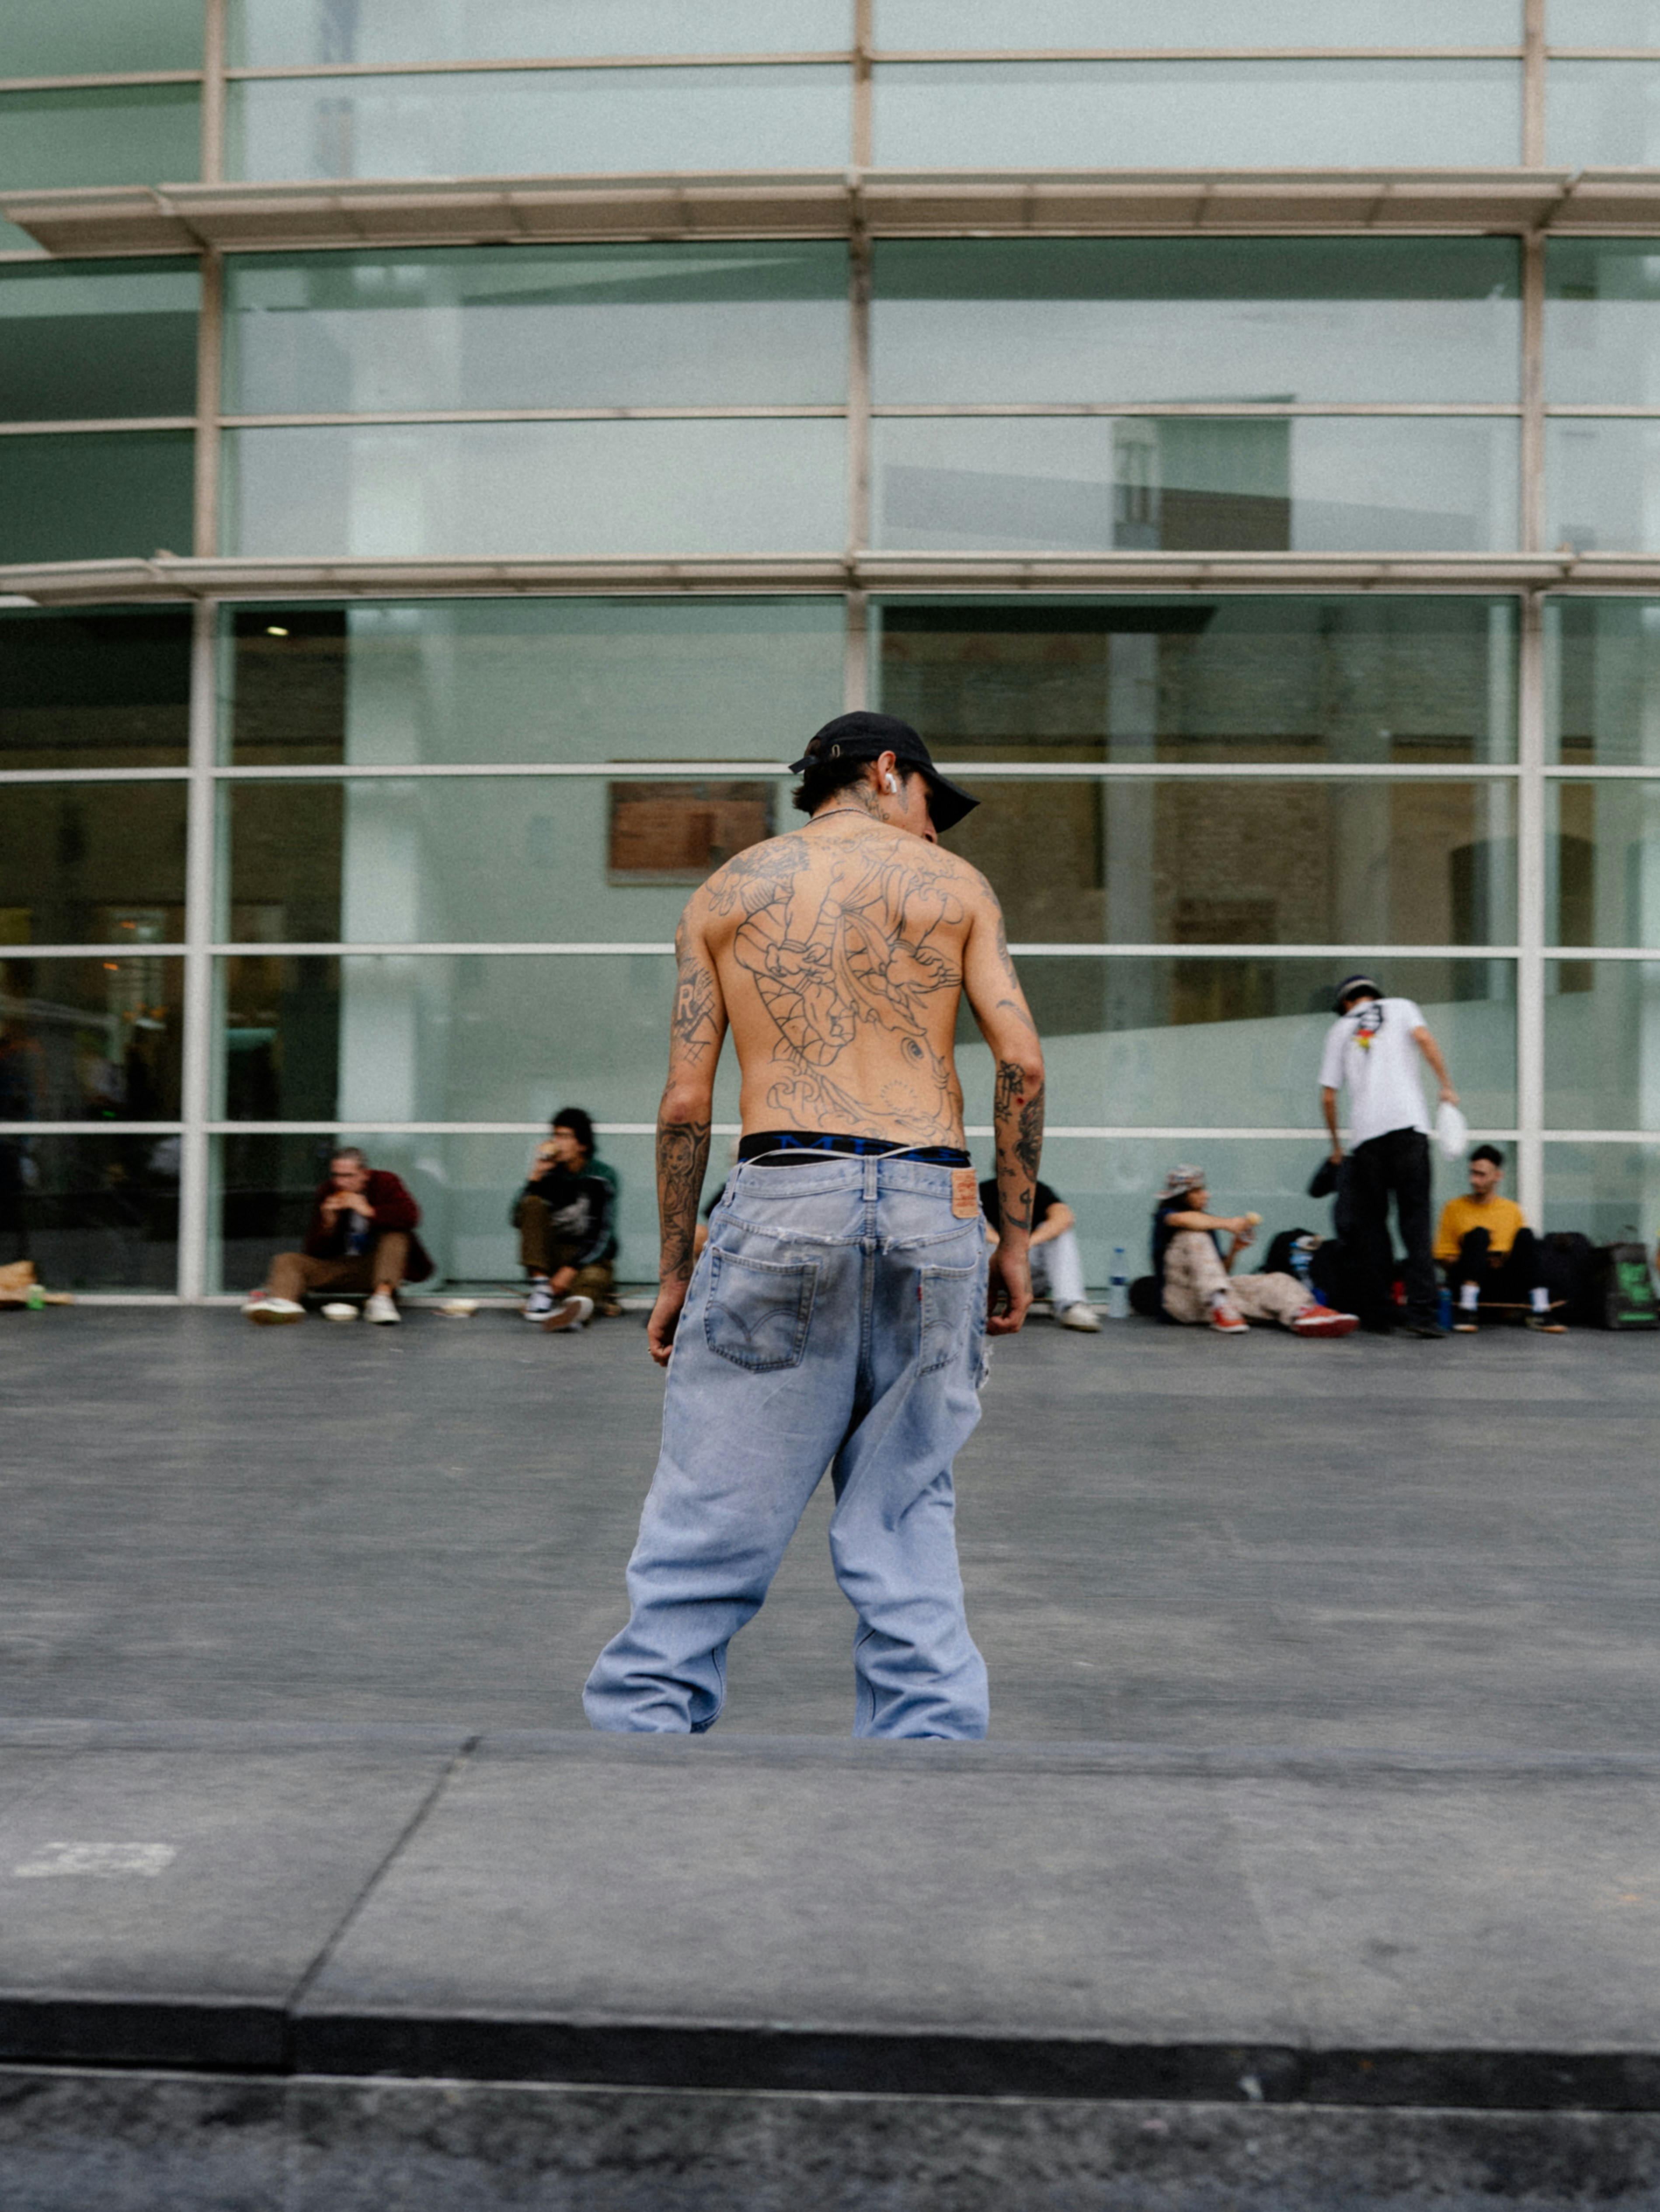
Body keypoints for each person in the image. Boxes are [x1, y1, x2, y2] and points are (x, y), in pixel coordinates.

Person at [584, 709, 1043, 1741]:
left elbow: (683, 1107)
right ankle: (928, 1758)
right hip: (935, 1207)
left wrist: (671, 1273)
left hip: (785, 1192)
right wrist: (1011, 1241)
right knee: (906, 1509)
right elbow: (1021, 1063)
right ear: (889, 772)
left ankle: (638, 1748)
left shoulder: (724, 894)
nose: (936, 832)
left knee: (711, 1515)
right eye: (934, 804)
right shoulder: (955, 889)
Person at [1319, 973, 1459, 1339]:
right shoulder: (1402, 1007)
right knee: (1416, 1225)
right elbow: (1425, 1040)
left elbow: (1328, 1097)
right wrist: (1445, 1085)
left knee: (1372, 1231)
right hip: (1408, 1132)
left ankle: (1380, 1315)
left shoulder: (1339, 1031)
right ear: (1371, 995)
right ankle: (1423, 1315)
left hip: (1367, 1141)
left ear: (1346, 1004)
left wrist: (1336, 1146)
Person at [1153, 1166, 1357, 1336]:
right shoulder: (1168, 1215)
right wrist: (1228, 1223)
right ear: (1182, 1197)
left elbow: (1219, 1275)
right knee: (1194, 1235)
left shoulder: (1206, 1222)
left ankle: (1304, 1314)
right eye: (1197, 1191)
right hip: (1179, 1302)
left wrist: (1234, 1250)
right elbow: (1182, 1220)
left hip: (1208, 1300)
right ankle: (1221, 1309)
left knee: (1275, 1280)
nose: (1206, 1195)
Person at [243, 1147, 431, 1324]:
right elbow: (313, 1252)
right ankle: (283, 1305)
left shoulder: (385, 1182)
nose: (341, 1182)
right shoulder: (327, 1191)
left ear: (365, 1174)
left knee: (396, 1234)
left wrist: (368, 1211)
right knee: (287, 1260)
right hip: (338, 1267)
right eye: (337, 1175)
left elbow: (411, 1217)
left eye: (348, 1176)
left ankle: (381, 1300)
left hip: (376, 1269)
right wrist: (329, 1225)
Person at [1435, 1143, 1564, 1334]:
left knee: (1526, 1234)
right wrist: (1476, 1257)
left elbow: (1524, 1255)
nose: (1474, 1180)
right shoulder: (1454, 1208)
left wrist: (1502, 1260)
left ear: (1497, 1176)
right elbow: (1443, 1259)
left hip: (1504, 1281)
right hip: (1467, 1281)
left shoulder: (1511, 1209)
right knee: (1479, 1235)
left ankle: (1542, 1311)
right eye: (1473, 1173)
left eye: (1481, 1175)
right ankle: (1466, 1310)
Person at [512, 1106, 619, 1330]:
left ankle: (573, 1313)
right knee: (531, 1205)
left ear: (582, 1144)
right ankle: (542, 1290)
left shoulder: (601, 1176)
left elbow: (601, 1234)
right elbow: (517, 1218)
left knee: (593, 1279)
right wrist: (536, 1176)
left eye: (564, 1136)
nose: (556, 1142)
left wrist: (569, 1271)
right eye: (555, 1136)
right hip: (551, 1256)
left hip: (588, 1258)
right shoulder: (549, 1175)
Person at [979, 1169, 1099, 1332]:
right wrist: (1005, 1248)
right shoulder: (984, 1190)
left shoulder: (1038, 1190)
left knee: (1060, 1232)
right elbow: (967, 1220)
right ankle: (974, 1306)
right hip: (993, 1274)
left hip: (1030, 1275)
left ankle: (1070, 1306)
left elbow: (1065, 1217)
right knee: (975, 1226)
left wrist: (1022, 1247)